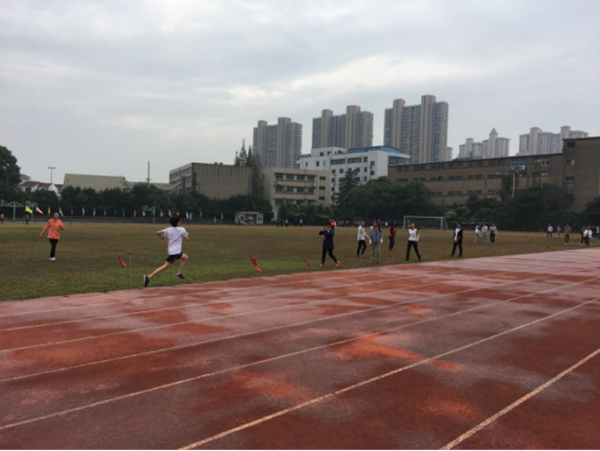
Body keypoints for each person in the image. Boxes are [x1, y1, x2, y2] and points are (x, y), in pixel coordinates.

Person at [144, 216, 189, 287]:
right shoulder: (182, 229)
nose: (180, 222)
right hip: (175, 252)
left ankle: (179, 274)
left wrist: (162, 238)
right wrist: (185, 236)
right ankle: (148, 277)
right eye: (179, 221)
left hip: (175, 251)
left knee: (185, 258)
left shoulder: (168, 229)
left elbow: (158, 232)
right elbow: (187, 239)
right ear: (177, 223)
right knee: (165, 267)